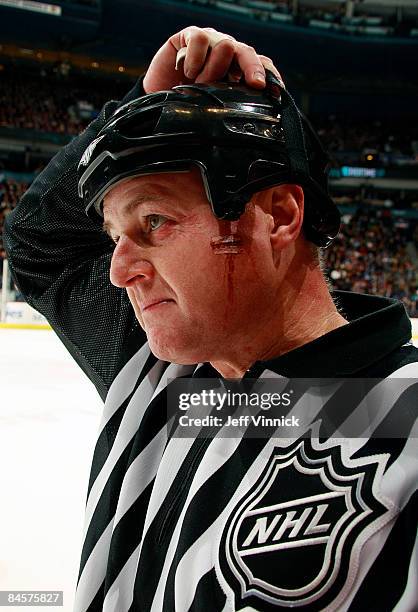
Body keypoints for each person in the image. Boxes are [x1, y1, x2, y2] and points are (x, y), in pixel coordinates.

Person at [3, 26, 417, 612]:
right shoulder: (159, 375)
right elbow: (38, 243)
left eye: (152, 223)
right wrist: (142, 107)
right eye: (114, 235)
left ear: (276, 215)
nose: (120, 272)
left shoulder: (406, 417)